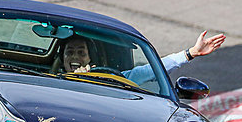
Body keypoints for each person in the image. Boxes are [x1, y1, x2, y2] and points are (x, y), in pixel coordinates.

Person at [57, 31, 226, 85]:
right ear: (62, 57)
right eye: (70, 52)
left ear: (89, 58)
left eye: (81, 53)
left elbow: (151, 70)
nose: (75, 57)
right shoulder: (43, 78)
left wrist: (190, 53)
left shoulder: (113, 80)